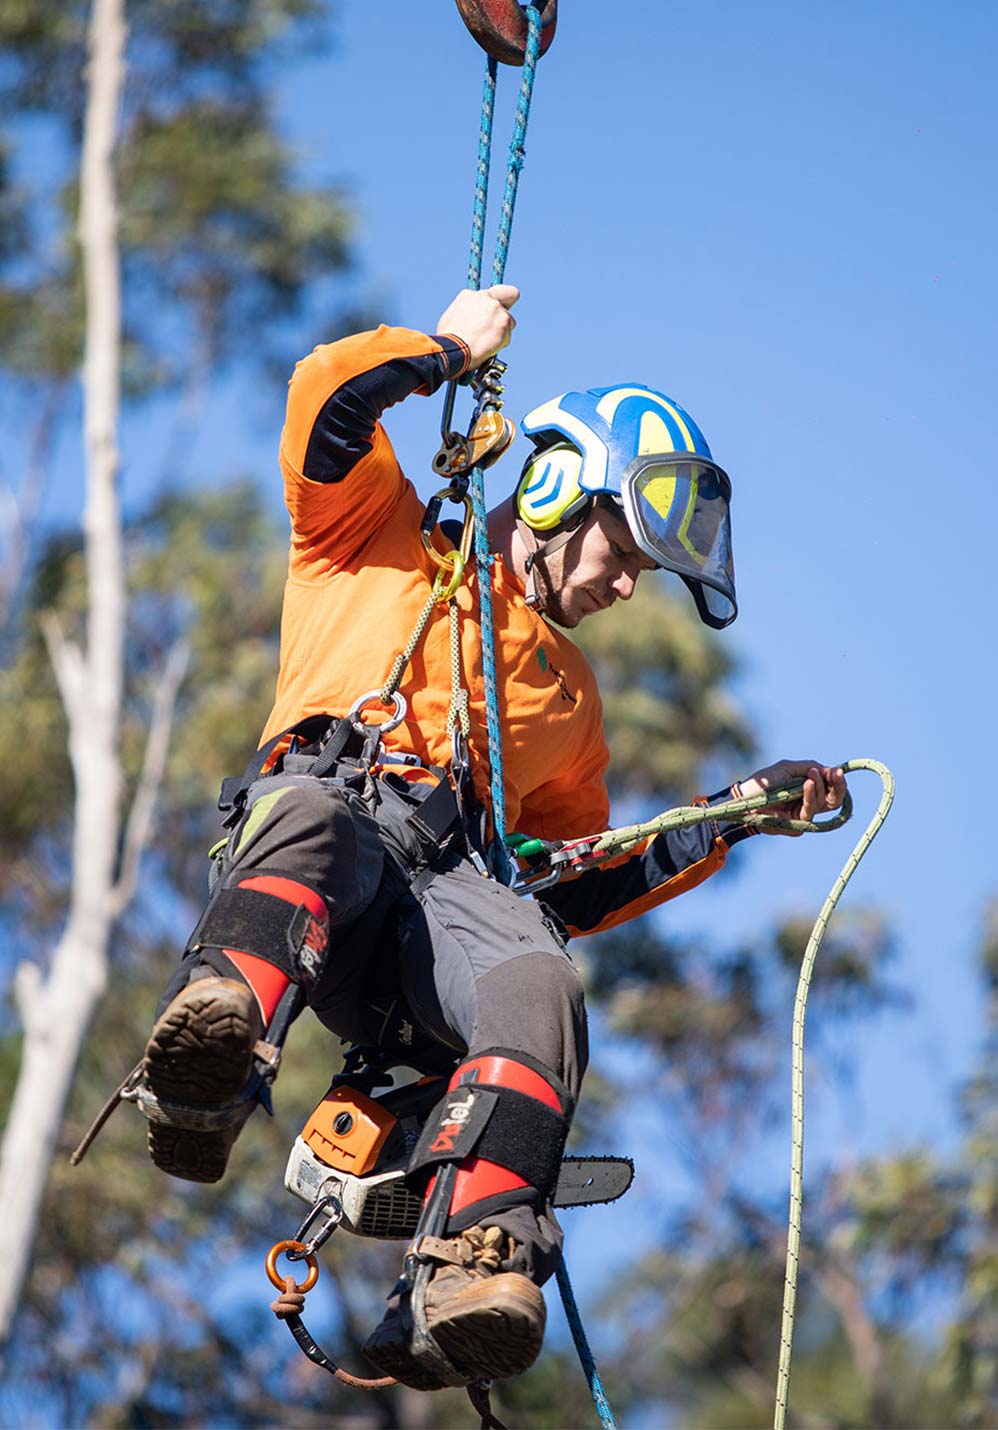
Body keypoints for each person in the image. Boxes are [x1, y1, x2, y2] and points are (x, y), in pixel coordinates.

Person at [140, 284, 846, 1390]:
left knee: (537, 973)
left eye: (644, 574)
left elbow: (569, 879)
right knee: (326, 818)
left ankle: (471, 1250)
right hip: (321, 846)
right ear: (559, 486)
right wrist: (439, 352)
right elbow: (322, 401)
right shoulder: (373, 532)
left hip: (440, 906)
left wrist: (731, 815)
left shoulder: (568, 698)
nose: (624, 585)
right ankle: (213, 1048)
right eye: (623, 551)